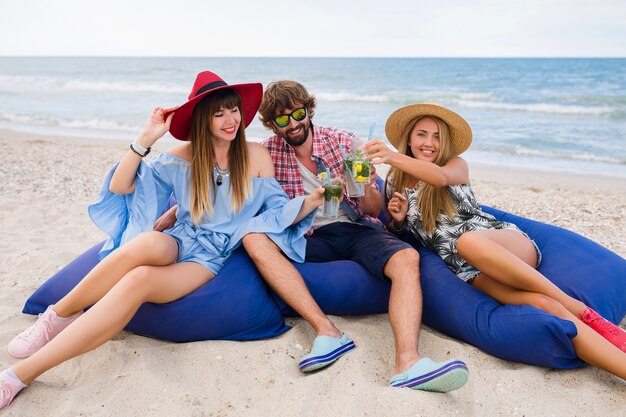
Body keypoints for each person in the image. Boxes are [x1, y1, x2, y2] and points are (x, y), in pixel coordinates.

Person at [0, 71, 322, 409]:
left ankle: (17, 375)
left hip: (208, 257)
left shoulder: (256, 156)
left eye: (234, 110)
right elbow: (121, 187)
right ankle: (57, 315)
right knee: (146, 244)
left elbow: (273, 213)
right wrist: (146, 138)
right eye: (218, 113)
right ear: (202, 119)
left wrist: (310, 202)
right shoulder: (182, 156)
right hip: (179, 238)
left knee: (138, 280)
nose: (230, 120)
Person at [365, 103, 626, 380]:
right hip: (470, 272)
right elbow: (402, 234)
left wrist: (392, 157)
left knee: (468, 242)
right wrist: (399, 220)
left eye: (437, 136)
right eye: (422, 134)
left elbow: (439, 178)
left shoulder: (454, 165)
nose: (429, 143)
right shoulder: (396, 183)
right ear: (409, 137)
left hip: (505, 245)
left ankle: (577, 306)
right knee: (547, 309)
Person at [241, 81, 469, 392]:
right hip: (303, 234)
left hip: (352, 226)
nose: (293, 123)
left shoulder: (343, 142)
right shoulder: (266, 153)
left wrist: (363, 187)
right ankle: (327, 331)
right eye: (283, 119)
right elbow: (235, 185)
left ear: (309, 110)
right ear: (272, 124)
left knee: (407, 256)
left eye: (299, 113)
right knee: (253, 239)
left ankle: (408, 362)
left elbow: (373, 209)